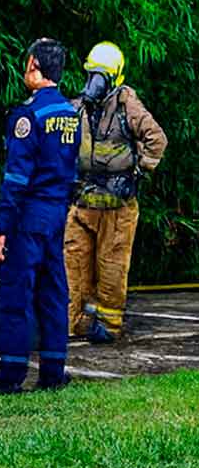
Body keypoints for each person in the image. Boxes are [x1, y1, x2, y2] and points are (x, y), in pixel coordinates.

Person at [0, 38, 80, 394]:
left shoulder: (28, 115)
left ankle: (10, 378)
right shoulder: (71, 113)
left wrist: (0, 230)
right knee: (54, 294)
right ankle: (53, 372)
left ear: (34, 65)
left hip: (28, 215)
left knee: (16, 295)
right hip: (58, 213)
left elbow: (16, 178)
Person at [65, 41, 167, 343]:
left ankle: (109, 325)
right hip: (83, 202)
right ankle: (74, 323)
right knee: (73, 263)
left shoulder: (127, 105)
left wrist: (138, 171)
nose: (95, 81)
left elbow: (156, 139)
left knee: (111, 265)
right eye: (92, 74)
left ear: (115, 77)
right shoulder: (78, 108)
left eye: (102, 75)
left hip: (117, 206)